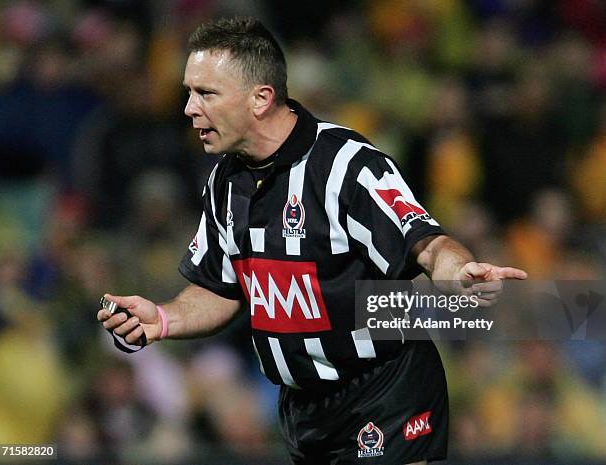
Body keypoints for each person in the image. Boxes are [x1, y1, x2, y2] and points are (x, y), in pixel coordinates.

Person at [98, 17, 527, 465]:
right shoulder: (224, 181)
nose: (188, 108)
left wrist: (460, 272)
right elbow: (222, 288)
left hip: (385, 389)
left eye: (206, 93)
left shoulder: (346, 166)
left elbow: (426, 243)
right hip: (303, 409)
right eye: (189, 92)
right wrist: (163, 319)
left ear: (261, 99)